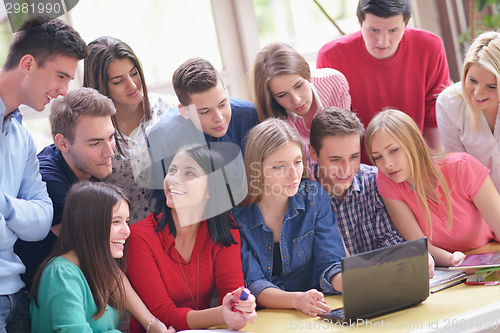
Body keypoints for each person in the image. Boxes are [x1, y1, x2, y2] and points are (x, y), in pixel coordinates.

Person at [0, 16, 87, 332]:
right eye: (60, 76)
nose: (63, 91)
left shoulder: (22, 136)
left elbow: (40, 221)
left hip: (16, 296)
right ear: (27, 64)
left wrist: (5, 207)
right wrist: (16, 215)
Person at [127, 144, 257, 332]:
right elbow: (162, 314)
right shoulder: (140, 235)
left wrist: (240, 306)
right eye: (172, 170)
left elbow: (231, 290)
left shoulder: (223, 226)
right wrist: (222, 313)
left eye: (189, 174)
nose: (173, 179)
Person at [232, 118, 345, 317]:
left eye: (297, 161)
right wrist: (297, 300)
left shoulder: (315, 197)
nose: (293, 174)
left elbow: (330, 263)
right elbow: (253, 285)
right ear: (256, 169)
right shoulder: (236, 216)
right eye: (279, 166)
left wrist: (357, 285)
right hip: (264, 318)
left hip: (314, 310)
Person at [30, 181, 174, 332]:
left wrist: (153, 325)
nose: (127, 231)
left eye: (126, 221)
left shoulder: (98, 266)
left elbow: (116, 278)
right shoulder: (62, 275)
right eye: (116, 221)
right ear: (89, 224)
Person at [317, 0, 449, 164]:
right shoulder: (331, 57)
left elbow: (434, 114)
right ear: (359, 21)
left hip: (417, 161)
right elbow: (332, 129)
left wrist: (433, 166)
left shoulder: (430, 47)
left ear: (407, 23)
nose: (383, 42)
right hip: (360, 168)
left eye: (393, 30)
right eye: (374, 30)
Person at [365, 109, 500, 268]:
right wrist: (453, 260)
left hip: (491, 253)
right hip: (448, 267)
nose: (387, 164)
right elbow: (420, 245)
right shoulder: (386, 180)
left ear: (415, 143)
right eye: (378, 157)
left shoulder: (462, 167)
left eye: (394, 150)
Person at [14, 87, 116, 292]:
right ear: (63, 143)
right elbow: (100, 249)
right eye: (95, 143)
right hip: (29, 297)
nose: (109, 152)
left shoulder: (90, 164)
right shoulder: (47, 180)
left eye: (111, 137)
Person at [84, 36, 178, 224]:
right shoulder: (91, 130)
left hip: (175, 226)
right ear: (101, 87)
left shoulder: (168, 109)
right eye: (118, 81)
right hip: (125, 236)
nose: (132, 85)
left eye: (134, 73)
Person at [147, 57, 259, 194]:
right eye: (205, 111)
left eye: (223, 103)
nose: (219, 118)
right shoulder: (164, 137)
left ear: (225, 90)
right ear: (184, 111)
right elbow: (166, 198)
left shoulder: (248, 115)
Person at [309, 107, 404, 255]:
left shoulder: (375, 181)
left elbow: (391, 241)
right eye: (335, 159)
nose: (347, 170)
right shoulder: (304, 198)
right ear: (313, 153)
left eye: (354, 157)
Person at [250, 42, 351, 174]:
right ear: (272, 98)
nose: (296, 100)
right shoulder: (271, 117)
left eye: (298, 86)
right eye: (282, 95)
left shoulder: (335, 82)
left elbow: (348, 142)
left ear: (307, 74)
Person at [437, 31, 500, 192]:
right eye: (472, 80)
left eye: (491, 87)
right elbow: (458, 170)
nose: (478, 93)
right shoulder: (449, 104)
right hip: (480, 203)